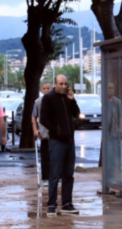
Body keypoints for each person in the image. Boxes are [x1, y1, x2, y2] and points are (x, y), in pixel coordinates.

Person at [39, 74, 80, 216]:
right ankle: (51, 204)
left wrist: (72, 100)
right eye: (61, 84)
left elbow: (77, 113)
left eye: (65, 84)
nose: (64, 86)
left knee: (69, 173)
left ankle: (67, 204)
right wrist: (56, 130)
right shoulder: (48, 98)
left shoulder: (67, 98)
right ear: (55, 84)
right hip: (57, 141)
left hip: (69, 140)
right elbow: (43, 119)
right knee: (55, 173)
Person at [32, 82, 52, 183]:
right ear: (41, 90)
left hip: (56, 133)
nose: (47, 90)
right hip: (44, 133)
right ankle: (46, 177)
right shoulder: (38, 102)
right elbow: (34, 117)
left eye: (48, 88)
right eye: (44, 88)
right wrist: (35, 130)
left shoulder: (56, 100)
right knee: (45, 156)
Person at [104, 82, 122, 182]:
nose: (111, 90)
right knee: (107, 154)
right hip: (105, 132)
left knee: (114, 155)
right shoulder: (103, 101)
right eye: (109, 88)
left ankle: (113, 175)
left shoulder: (117, 102)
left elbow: (121, 116)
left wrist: (120, 128)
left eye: (112, 88)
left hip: (114, 132)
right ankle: (107, 175)